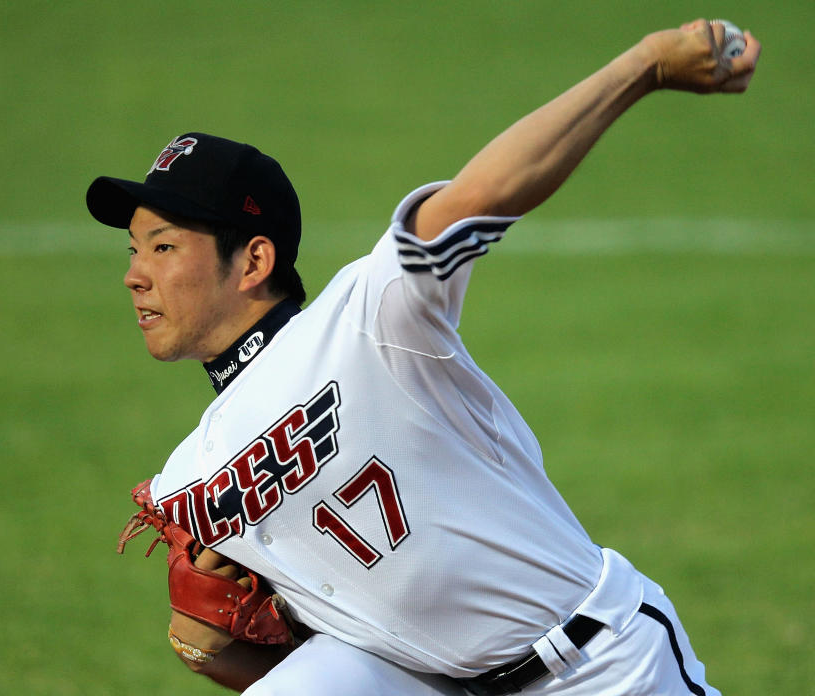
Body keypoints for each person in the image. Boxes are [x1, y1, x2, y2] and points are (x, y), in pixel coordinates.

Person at [88, 19, 760, 696]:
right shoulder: (188, 485)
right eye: (134, 251)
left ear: (254, 260)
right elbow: (328, 657)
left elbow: (479, 196)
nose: (135, 276)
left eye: (164, 247)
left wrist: (645, 66)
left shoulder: (367, 318)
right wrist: (217, 655)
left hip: (599, 666)